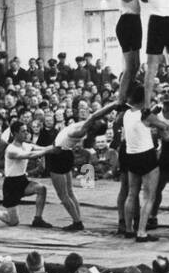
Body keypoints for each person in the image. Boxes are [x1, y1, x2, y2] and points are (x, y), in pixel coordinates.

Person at [45, 99, 120, 232]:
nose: (93, 118)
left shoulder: (80, 130)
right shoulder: (84, 127)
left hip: (58, 155)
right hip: (65, 154)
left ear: (93, 125)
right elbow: (98, 115)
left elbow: (95, 116)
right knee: (69, 192)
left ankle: (77, 222)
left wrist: (115, 104)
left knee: (63, 195)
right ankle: (77, 220)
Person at [121, 83, 169, 243]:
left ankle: (128, 229)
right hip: (146, 156)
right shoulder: (146, 115)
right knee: (149, 197)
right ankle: (141, 232)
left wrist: (154, 111)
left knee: (131, 194)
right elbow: (165, 126)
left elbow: (141, 118)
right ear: (145, 98)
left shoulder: (127, 113)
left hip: (131, 155)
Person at [0, 121, 52, 229]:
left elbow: (42, 148)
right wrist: (50, 150)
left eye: (27, 131)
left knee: (41, 189)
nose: (26, 134)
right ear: (15, 134)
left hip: (22, 181)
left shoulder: (26, 144)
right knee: (12, 222)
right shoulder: (11, 149)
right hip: (11, 185)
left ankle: (37, 219)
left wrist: (56, 146)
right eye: (23, 131)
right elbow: (29, 155)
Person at [115, 0, 146, 105]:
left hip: (135, 22)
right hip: (127, 22)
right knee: (129, 67)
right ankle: (120, 100)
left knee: (136, 65)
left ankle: (129, 92)